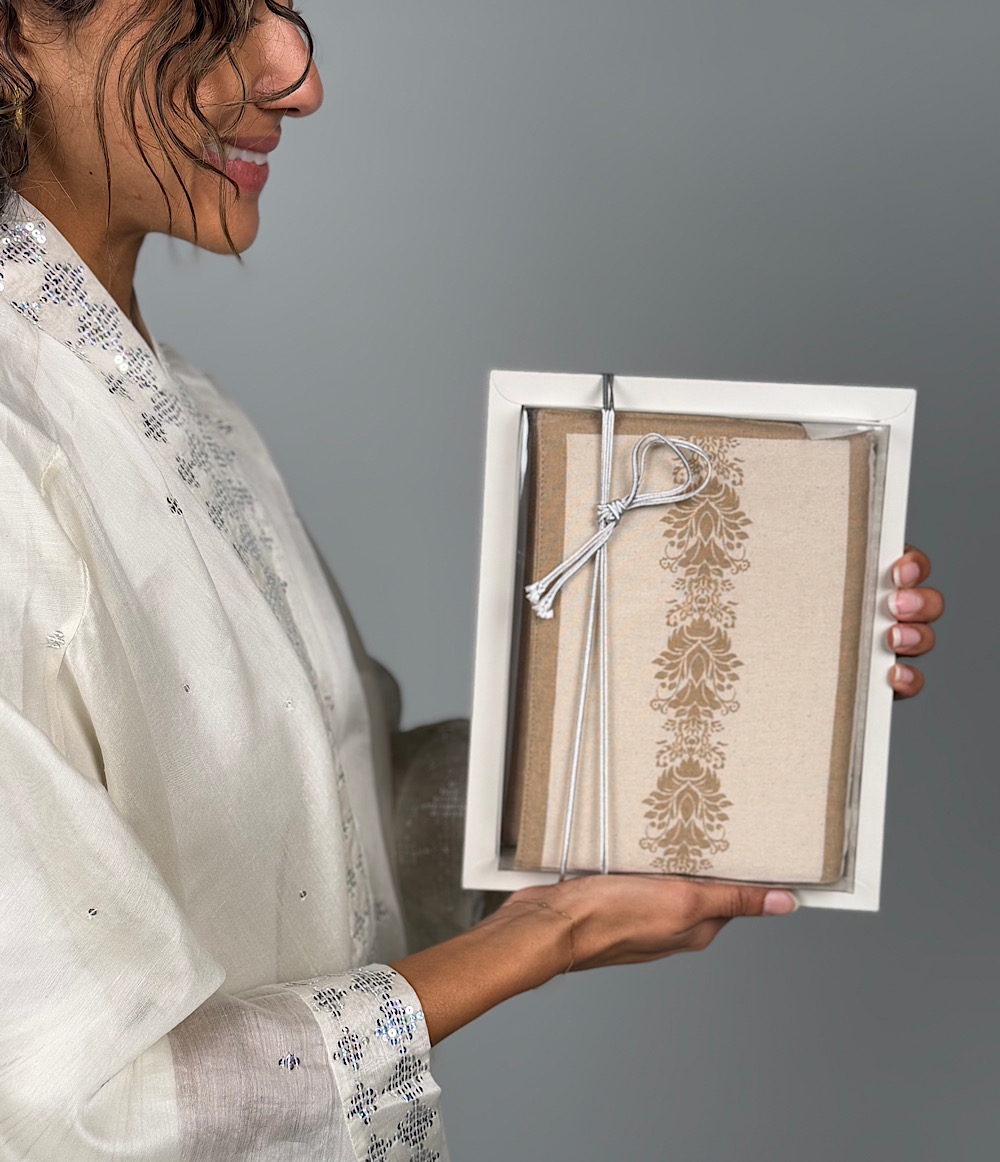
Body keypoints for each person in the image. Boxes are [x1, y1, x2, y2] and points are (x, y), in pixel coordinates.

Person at [0, 2, 944, 1159]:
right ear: (16, 33)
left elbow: (343, 838)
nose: (295, 74)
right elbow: (89, 1099)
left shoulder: (189, 413)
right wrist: (544, 935)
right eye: (222, 9)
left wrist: (744, 710)